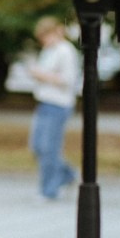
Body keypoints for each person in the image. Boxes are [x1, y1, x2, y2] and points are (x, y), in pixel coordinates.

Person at [28, 15, 80, 200]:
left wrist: (41, 75)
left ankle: (49, 190)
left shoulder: (65, 51)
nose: (43, 40)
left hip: (58, 104)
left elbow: (68, 80)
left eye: (45, 35)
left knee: (49, 148)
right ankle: (68, 174)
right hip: (44, 102)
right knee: (37, 146)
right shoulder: (48, 51)